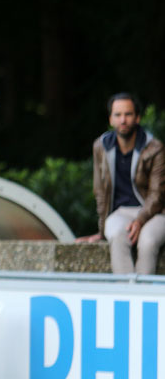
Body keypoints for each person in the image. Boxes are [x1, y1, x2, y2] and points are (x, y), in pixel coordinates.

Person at [79, 93, 165, 274]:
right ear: (111, 119)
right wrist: (103, 231)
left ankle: (143, 297)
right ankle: (127, 294)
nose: (123, 120)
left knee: (147, 241)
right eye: (117, 115)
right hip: (120, 213)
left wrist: (140, 221)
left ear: (138, 118)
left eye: (128, 114)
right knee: (117, 236)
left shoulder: (155, 148)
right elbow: (100, 192)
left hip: (155, 213)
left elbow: (157, 194)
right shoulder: (101, 146)